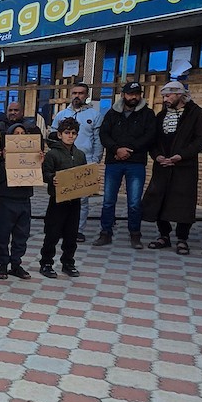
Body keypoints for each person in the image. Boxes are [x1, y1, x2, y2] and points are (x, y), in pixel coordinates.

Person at [142, 81, 202, 255]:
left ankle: (182, 238)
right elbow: (153, 140)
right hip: (162, 166)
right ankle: (164, 235)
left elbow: (200, 139)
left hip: (184, 167)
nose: (165, 98)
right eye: (164, 95)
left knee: (183, 202)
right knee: (159, 199)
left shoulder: (196, 113)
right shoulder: (161, 115)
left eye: (168, 95)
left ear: (179, 94)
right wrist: (158, 156)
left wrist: (181, 156)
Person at [95, 81, 156, 249]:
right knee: (108, 200)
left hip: (135, 163)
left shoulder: (148, 114)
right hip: (114, 162)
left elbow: (150, 136)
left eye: (137, 93)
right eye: (130, 94)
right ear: (123, 95)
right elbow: (104, 134)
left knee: (134, 202)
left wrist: (130, 150)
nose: (134, 97)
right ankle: (105, 233)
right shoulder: (112, 114)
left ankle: (135, 235)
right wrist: (116, 149)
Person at [51, 84, 102, 242]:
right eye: (74, 93)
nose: (77, 96)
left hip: (85, 159)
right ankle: (60, 227)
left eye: (81, 93)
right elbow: (53, 138)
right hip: (63, 160)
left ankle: (77, 230)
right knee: (62, 195)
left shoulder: (94, 115)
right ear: (70, 94)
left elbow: (98, 140)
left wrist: (95, 160)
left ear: (86, 95)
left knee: (82, 197)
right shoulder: (61, 115)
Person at [40, 117, 87, 278]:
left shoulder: (80, 155)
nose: (70, 136)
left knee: (71, 234)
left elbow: (84, 175)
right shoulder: (52, 154)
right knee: (52, 233)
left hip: (75, 200)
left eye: (74, 133)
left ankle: (68, 262)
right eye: (67, 133)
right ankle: (46, 262)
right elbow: (45, 174)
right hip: (57, 200)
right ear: (60, 135)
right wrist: (52, 177)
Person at [0, 122, 41, 280]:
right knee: (3, 233)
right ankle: (2, 264)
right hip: (6, 199)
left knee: (22, 234)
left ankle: (16, 264)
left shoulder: (32, 154)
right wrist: (5, 160)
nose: (19, 137)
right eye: (16, 134)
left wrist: (39, 160)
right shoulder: (0, 157)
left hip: (24, 199)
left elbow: (37, 175)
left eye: (22, 134)